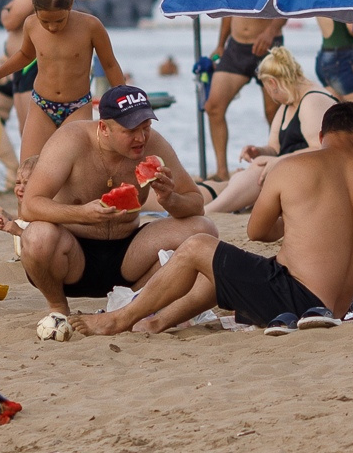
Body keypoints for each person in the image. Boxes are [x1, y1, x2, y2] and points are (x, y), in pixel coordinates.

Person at [75, 101, 353, 335]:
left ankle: (119, 318)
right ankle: (156, 322)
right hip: (336, 309)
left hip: (294, 299)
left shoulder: (293, 166)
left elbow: (257, 230)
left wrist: (293, 220)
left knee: (199, 246)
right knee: (221, 270)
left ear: (321, 135)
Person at [18, 84, 215, 313]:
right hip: (72, 256)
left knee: (204, 228)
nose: (141, 138)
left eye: (146, 127)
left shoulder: (154, 145)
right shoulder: (71, 141)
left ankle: (134, 302)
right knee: (37, 237)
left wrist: (170, 199)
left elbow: (196, 203)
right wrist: (82, 214)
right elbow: (30, 206)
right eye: (130, 131)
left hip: (130, 257)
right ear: (103, 128)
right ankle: (57, 306)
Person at [0, 0, 125, 161]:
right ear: (35, 8)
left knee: (74, 171)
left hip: (77, 106)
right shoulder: (31, 24)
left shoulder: (91, 26)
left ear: (70, 5)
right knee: (28, 168)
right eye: (45, 21)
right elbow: (25, 55)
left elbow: (110, 64)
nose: (52, 27)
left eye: (59, 20)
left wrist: (124, 100)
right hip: (42, 105)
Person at [203, 47, 340, 214]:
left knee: (258, 170)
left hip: (319, 178)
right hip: (293, 172)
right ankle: (190, 205)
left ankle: (207, 212)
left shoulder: (312, 101)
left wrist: (278, 161)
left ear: (272, 83)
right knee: (221, 185)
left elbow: (322, 151)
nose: (272, 97)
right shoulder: (289, 102)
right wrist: (259, 151)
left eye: (267, 89)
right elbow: (275, 148)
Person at [203, 0, 287, 181]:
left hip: (269, 47)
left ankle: (278, 166)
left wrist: (271, 31)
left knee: (273, 111)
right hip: (236, 48)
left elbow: (287, 4)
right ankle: (222, 171)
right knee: (213, 106)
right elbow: (228, 10)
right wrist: (219, 44)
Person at [314, 16, 353, 102]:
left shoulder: (322, 1)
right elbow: (352, 29)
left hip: (324, 58)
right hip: (341, 60)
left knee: (336, 111)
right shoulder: (347, 1)